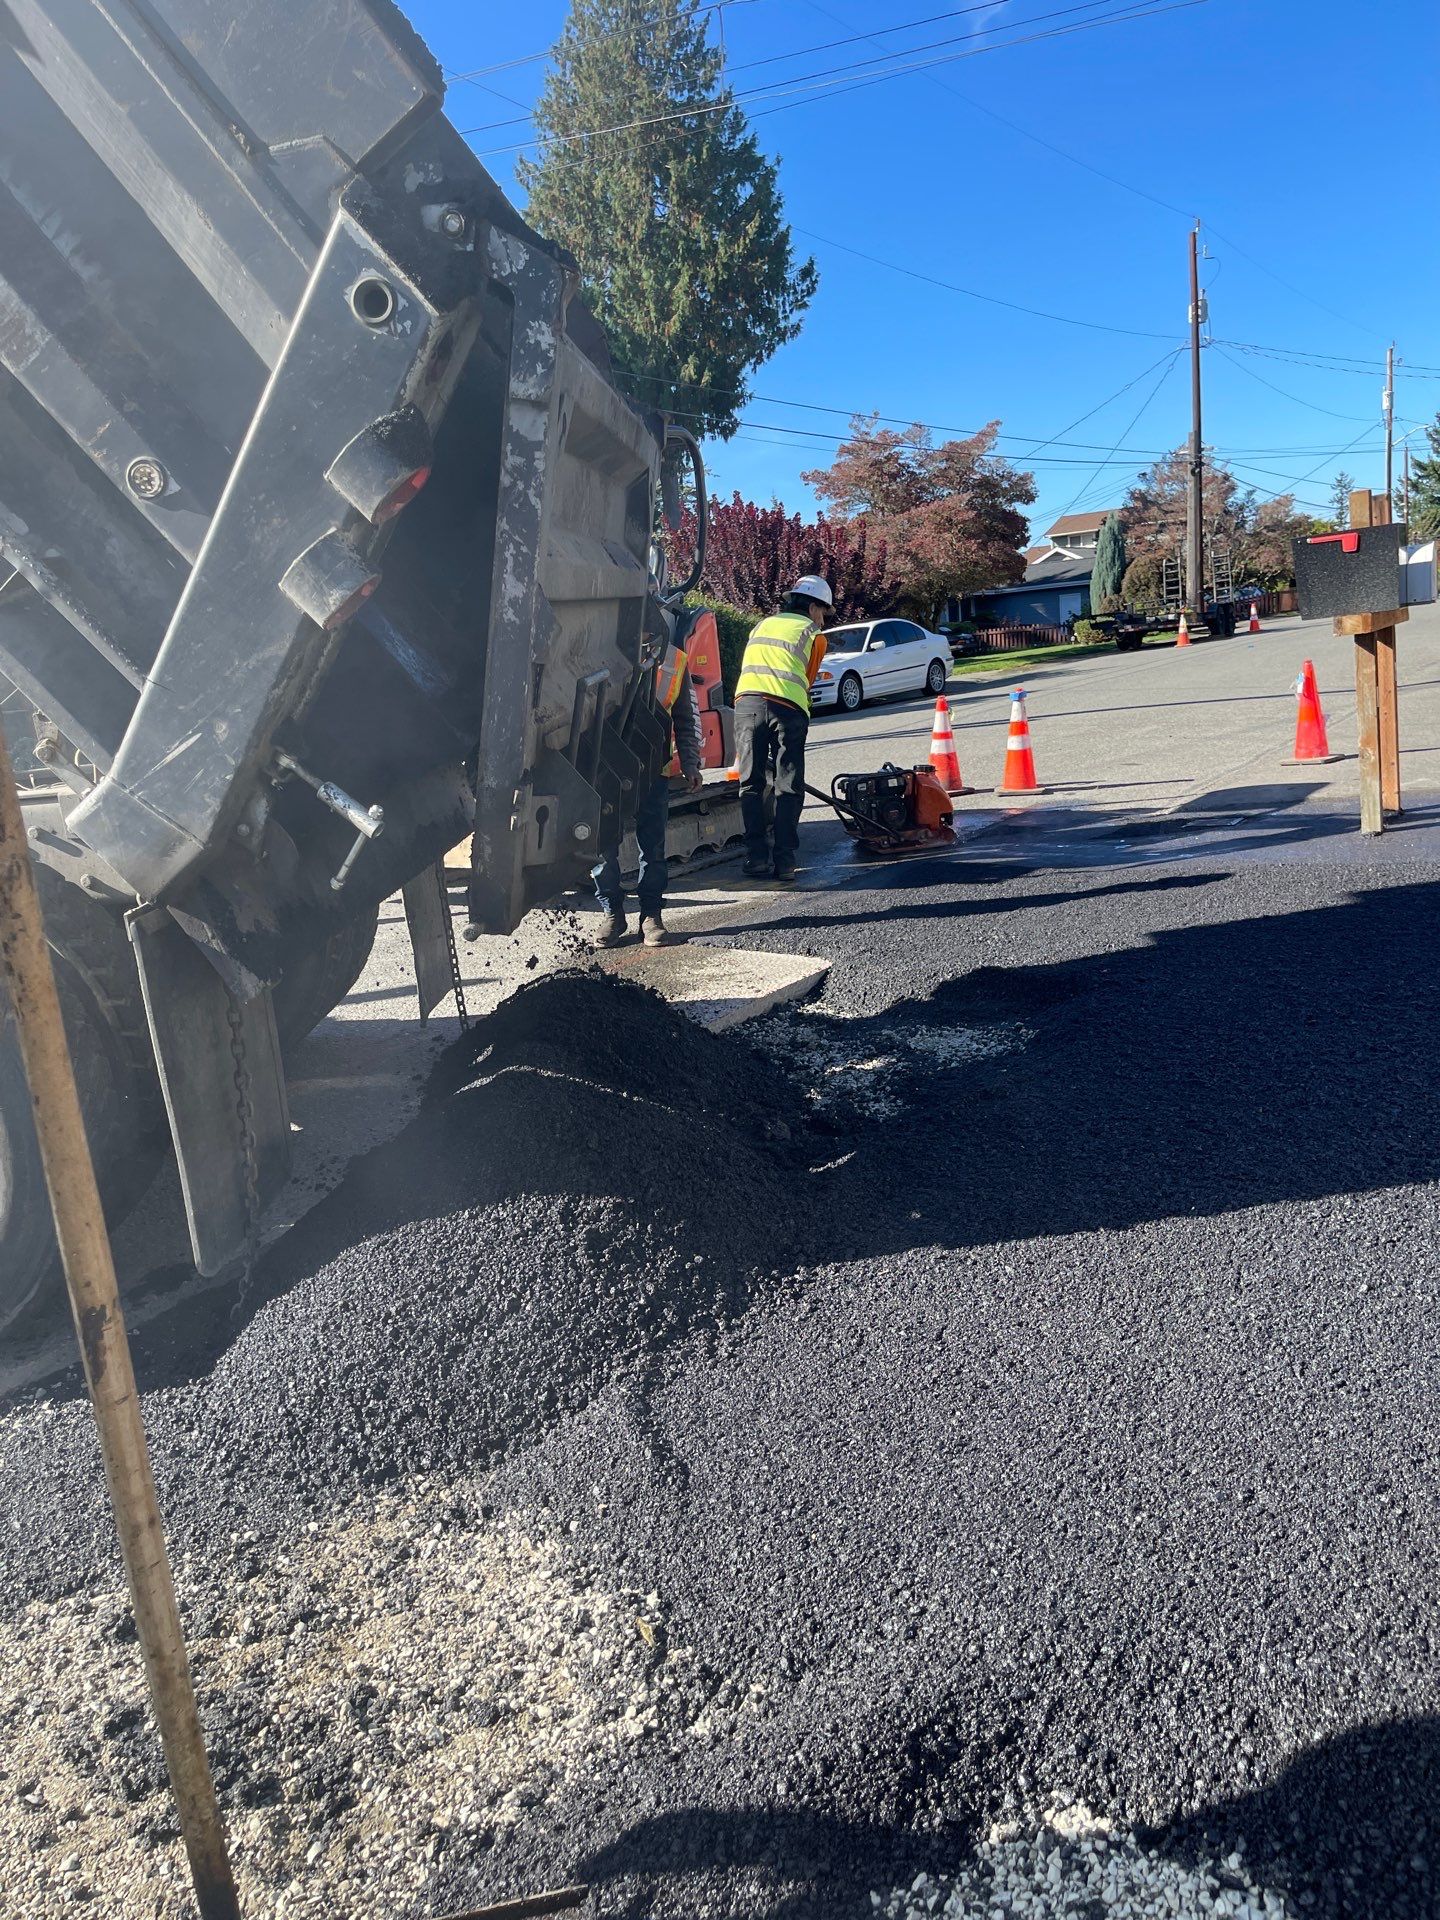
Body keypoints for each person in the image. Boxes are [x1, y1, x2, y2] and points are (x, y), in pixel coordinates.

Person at [592, 622, 704, 948]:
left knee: (652, 848)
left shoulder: (675, 660)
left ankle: (651, 915)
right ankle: (612, 913)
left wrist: (691, 763)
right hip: (608, 768)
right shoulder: (600, 651)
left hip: (656, 769)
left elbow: (684, 717)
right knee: (601, 847)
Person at [733, 574, 833, 884]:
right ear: (813, 607)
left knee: (750, 783)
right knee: (788, 784)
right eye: (823, 613)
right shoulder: (813, 635)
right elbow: (808, 678)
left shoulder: (761, 625)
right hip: (788, 708)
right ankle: (786, 861)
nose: (823, 620)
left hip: (747, 705)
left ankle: (756, 858)